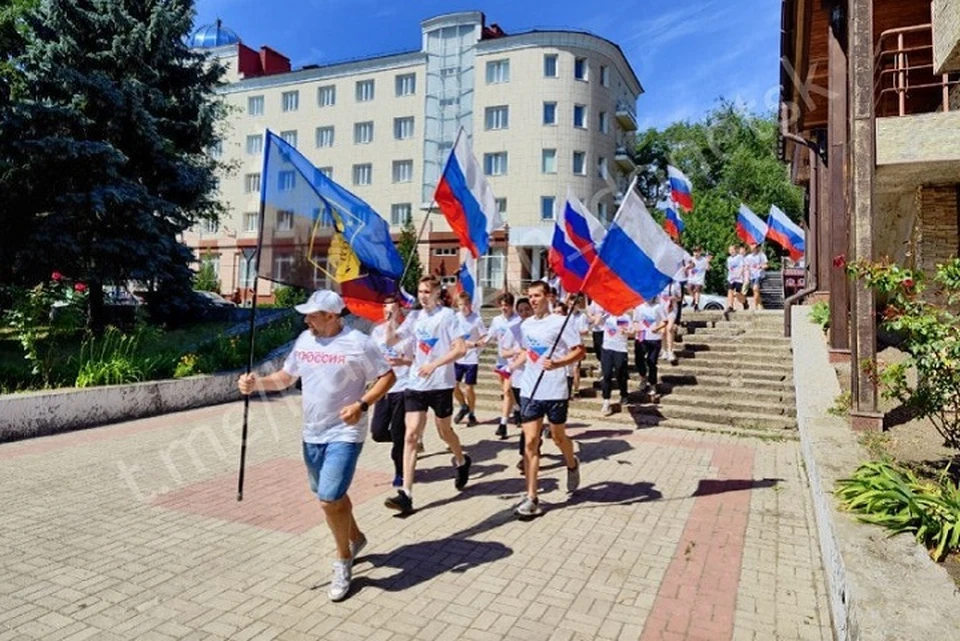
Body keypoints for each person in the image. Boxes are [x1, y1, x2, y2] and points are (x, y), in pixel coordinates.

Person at [236, 290, 396, 602]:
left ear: (333, 316)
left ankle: (342, 559)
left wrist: (362, 405)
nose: (306, 319)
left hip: (345, 433)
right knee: (329, 494)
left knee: (328, 498)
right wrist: (256, 383)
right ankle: (356, 537)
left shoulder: (359, 343)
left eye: (313, 314)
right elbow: (285, 377)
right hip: (312, 433)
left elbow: (387, 377)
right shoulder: (305, 340)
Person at [383, 275, 471, 515]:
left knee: (445, 431)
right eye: (419, 291)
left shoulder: (448, 317)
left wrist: (434, 364)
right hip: (416, 384)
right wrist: (390, 319)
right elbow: (392, 340)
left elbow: (461, 349)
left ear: (436, 293)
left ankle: (462, 461)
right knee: (411, 435)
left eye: (426, 292)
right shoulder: (414, 317)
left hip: (441, 384)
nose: (422, 296)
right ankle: (406, 494)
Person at [509, 280, 585, 518]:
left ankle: (571, 463)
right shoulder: (526, 325)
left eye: (537, 296)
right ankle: (532, 497)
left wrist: (559, 363)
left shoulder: (562, 322)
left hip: (555, 390)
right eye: (529, 296)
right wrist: (512, 366)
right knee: (530, 441)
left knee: (558, 437)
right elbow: (527, 351)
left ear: (549, 297)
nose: (532, 300)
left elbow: (579, 350)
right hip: (530, 390)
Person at [370, 296, 414, 488]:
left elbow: (418, 361)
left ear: (400, 310)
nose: (390, 312)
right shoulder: (377, 332)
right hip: (384, 387)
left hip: (403, 387)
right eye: (387, 309)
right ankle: (407, 440)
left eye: (394, 309)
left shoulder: (409, 333)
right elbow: (372, 356)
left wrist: (403, 362)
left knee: (398, 432)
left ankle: (400, 472)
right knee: (378, 432)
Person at [487, 292, 523, 439]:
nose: (504, 308)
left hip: (513, 361)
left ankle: (503, 425)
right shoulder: (497, 320)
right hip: (501, 360)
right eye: (501, 306)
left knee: (508, 391)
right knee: (506, 390)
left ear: (511, 306)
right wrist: (478, 343)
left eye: (506, 306)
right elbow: (490, 336)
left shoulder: (518, 320)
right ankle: (516, 409)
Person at [453, 292, 487, 427]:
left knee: (468, 388)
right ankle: (463, 406)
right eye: (460, 305)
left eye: (466, 304)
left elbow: (484, 336)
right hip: (458, 357)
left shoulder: (476, 319)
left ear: (470, 305)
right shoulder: (456, 318)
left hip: (471, 358)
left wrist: (476, 344)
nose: (463, 307)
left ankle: (472, 413)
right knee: (453, 386)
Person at [598, 305, 633, 416]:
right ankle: (606, 401)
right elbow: (596, 323)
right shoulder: (606, 316)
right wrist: (601, 314)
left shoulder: (624, 317)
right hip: (607, 348)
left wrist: (627, 332)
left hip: (620, 349)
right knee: (607, 374)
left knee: (620, 373)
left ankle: (624, 393)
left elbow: (631, 332)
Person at [633, 297, 669, 402]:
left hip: (654, 338)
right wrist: (636, 328)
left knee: (651, 361)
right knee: (639, 360)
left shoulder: (658, 307)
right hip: (641, 337)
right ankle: (643, 377)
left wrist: (657, 328)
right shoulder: (639, 307)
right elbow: (635, 321)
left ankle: (653, 384)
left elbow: (665, 321)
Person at [744, 244, 768, 311]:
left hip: (759, 275)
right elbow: (746, 267)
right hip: (752, 276)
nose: (752, 249)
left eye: (754, 248)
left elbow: (766, 265)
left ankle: (755, 306)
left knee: (755, 289)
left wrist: (761, 266)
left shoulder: (762, 255)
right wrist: (746, 276)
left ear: (757, 248)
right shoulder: (748, 257)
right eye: (751, 247)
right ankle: (760, 304)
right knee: (756, 291)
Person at [725, 244, 747, 319]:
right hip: (731, 278)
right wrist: (731, 277)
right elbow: (729, 268)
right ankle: (730, 306)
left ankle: (744, 302)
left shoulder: (739, 257)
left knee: (737, 293)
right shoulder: (729, 259)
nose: (731, 251)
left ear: (736, 250)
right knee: (730, 291)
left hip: (738, 278)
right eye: (729, 250)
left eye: (732, 250)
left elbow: (742, 267)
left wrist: (739, 274)